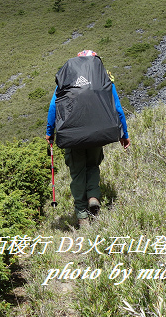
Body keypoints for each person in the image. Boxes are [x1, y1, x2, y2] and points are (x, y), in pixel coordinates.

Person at [45, 50, 130, 228]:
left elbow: (54, 107)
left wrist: (49, 132)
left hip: (72, 135)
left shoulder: (67, 80)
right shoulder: (103, 80)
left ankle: (83, 216)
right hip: (97, 134)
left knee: (77, 174)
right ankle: (93, 197)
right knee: (93, 166)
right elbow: (118, 108)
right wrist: (124, 135)